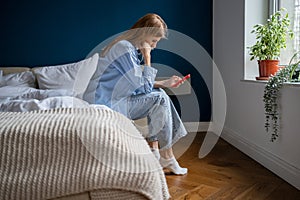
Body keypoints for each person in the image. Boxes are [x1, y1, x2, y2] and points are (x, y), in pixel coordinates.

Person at [94, 13, 188, 175]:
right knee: (159, 98)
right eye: (153, 41)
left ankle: (156, 151)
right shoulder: (124, 48)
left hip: (118, 99)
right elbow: (143, 88)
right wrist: (147, 56)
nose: (154, 46)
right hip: (109, 104)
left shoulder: (126, 47)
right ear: (144, 35)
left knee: (159, 94)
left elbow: (137, 86)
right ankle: (166, 156)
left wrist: (164, 83)